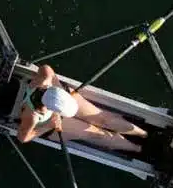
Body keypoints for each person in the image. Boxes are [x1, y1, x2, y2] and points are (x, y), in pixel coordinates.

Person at [16, 64, 147, 153]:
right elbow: (23, 137)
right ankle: (139, 149)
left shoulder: (45, 78)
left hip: (62, 97)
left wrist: (53, 83)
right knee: (96, 134)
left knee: (104, 119)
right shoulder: (32, 116)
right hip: (51, 123)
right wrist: (48, 126)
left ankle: (144, 134)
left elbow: (46, 67)